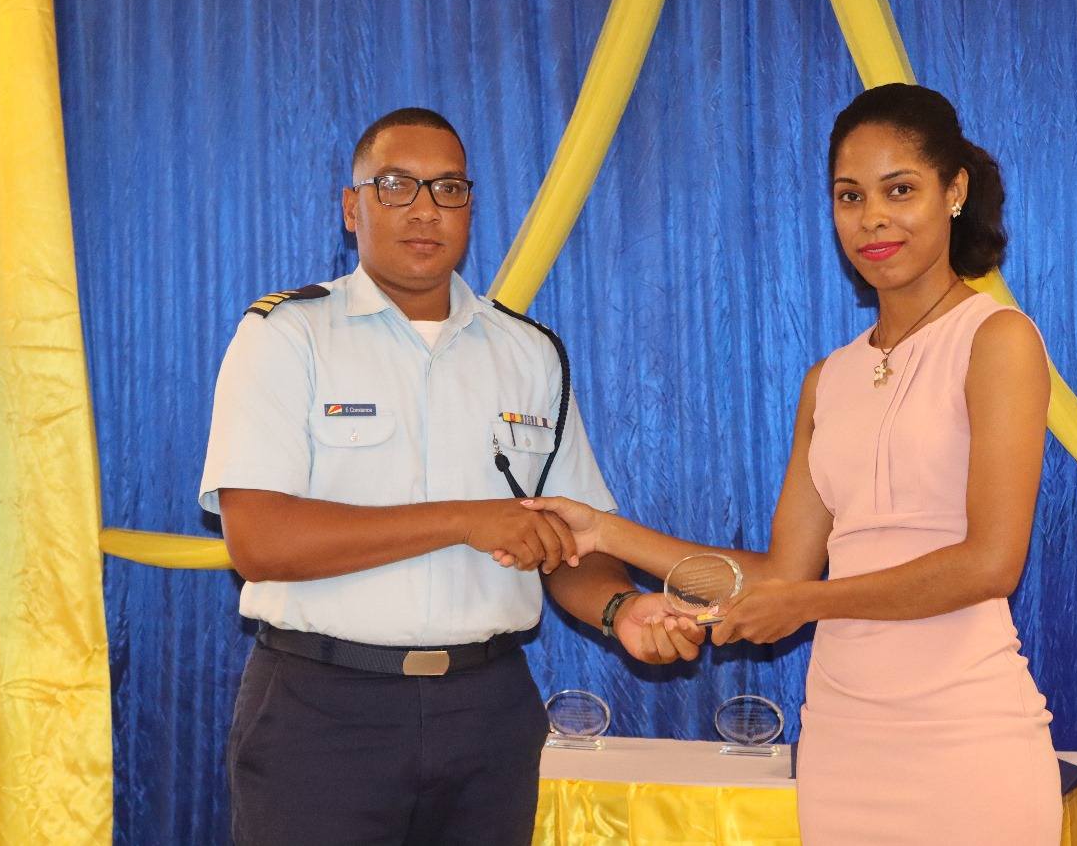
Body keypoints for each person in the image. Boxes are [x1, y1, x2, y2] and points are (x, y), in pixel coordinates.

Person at [521, 84, 1061, 843]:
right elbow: (778, 575)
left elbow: (990, 562)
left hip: (969, 738)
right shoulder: (828, 379)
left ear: (955, 192)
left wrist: (807, 602)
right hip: (842, 745)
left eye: (899, 190)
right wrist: (604, 532)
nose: (872, 218)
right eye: (850, 196)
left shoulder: (997, 338)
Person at [199, 107, 702, 846]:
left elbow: (571, 540)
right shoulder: (286, 335)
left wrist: (620, 607)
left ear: (470, 207)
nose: (425, 208)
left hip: (488, 712)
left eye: (449, 188)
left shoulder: (528, 352)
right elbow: (260, 542)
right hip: (323, 711)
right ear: (352, 207)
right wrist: (465, 519)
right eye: (396, 185)